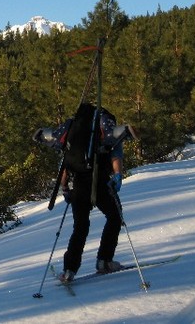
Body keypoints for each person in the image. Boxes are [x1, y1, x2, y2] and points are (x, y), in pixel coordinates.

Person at [58, 109, 124, 282]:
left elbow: (66, 163)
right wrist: (117, 176)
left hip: (79, 184)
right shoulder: (106, 128)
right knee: (114, 217)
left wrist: (65, 188)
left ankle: (69, 270)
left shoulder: (75, 132)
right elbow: (115, 155)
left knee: (80, 227)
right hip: (101, 182)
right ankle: (104, 261)